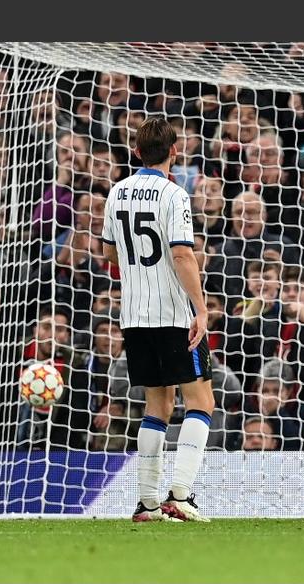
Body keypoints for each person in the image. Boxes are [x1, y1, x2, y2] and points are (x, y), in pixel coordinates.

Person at [101, 117, 214, 523]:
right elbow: (182, 254)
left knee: (157, 404)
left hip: (134, 315)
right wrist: (201, 308)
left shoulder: (116, 192)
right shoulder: (174, 194)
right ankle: (180, 494)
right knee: (201, 401)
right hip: (173, 314)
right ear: (174, 151)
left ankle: (148, 503)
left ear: (136, 151)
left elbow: (109, 253)